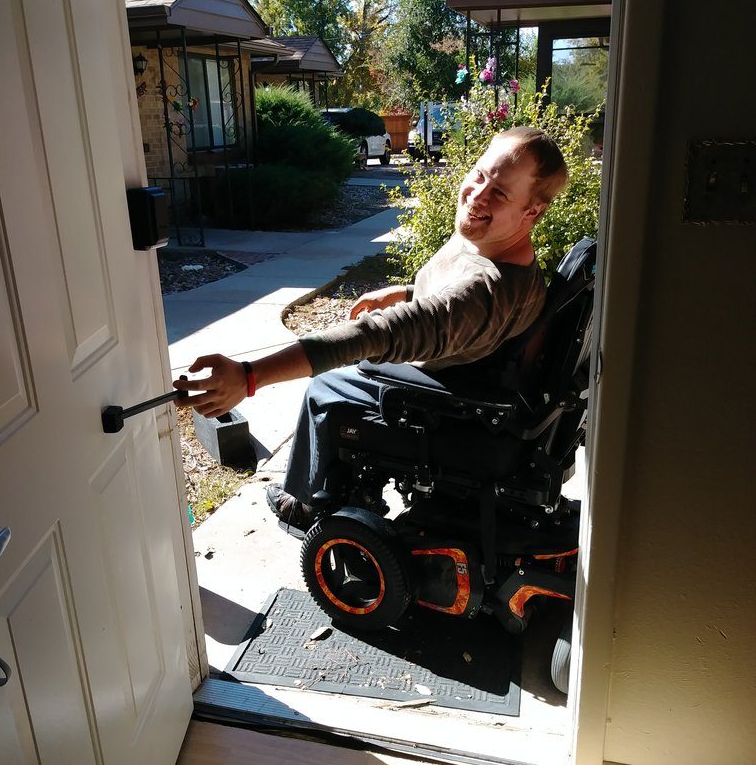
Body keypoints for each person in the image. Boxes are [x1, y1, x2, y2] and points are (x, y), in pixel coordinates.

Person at [174, 126, 568, 535]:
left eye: (500, 193)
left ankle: (309, 505)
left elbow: (379, 335)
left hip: (445, 402)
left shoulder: (484, 292)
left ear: (531, 213)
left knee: (324, 391)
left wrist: (250, 377)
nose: (478, 194)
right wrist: (405, 292)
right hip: (455, 376)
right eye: (480, 174)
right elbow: (449, 309)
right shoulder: (492, 246)